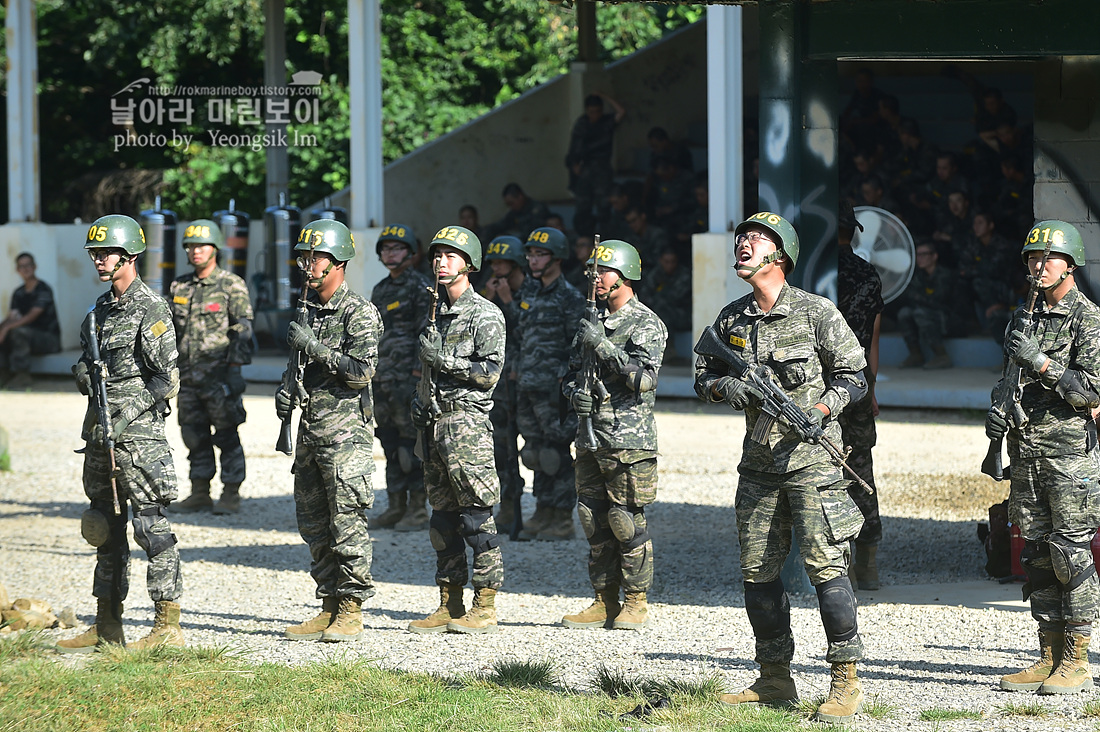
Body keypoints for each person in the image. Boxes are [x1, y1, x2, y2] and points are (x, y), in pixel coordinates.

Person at [694, 212, 868, 723]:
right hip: (760, 466)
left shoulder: (817, 313)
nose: (743, 244)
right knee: (757, 574)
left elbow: (855, 375)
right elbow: (704, 376)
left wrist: (819, 409)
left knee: (827, 570)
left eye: (756, 239)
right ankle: (774, 678)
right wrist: (731, 387)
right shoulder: (730, 319)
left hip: (814, 464)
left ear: (780, 256)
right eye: (742, 238)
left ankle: (845, 681)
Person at [57, 215, 184, 652]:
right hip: (100, 436)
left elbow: (166, 379)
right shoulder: (99, 311)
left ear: (129, 255)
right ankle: (107, 624)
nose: (98, 260)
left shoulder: (151, 309)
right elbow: (83, 362)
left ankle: (168, 627)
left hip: (139, 438)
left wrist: (125, 415)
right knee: (104, 529)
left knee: (151, 528)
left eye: (105, 253)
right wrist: (85, 375)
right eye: (94, 253)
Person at [986, 220, 1100, 695]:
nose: (1038, 267)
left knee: (1069, 552)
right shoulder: (1022, 318)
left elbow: (1090, 391)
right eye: (1032, 259)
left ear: (1069, 264)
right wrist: (995, 412)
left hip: (1069, 455)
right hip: (1027, 452)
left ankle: (1077, 658)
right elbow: (1006, 378)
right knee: (1034, 553)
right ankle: (1048, 653)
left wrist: (1042, 362)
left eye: (1047, 259)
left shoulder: (1088, 320)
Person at [278, 219, 382, 643]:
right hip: (310, 431)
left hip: (345, 436)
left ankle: (351, 610)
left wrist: (314, 348)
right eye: (304, 257)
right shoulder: (306, 309)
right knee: (314, 523)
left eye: (316, 257)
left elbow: (361, 373)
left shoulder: (359, 311)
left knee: (347, 523)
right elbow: (298, 370)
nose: (308, 265)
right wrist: (287, 395)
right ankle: (327, 604)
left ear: (337, 261)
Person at [561, 239, 666, 630]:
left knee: (626, 521)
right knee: (593, 519)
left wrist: (604, 347)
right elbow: (568, 376)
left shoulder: (646, 323)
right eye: (591, 273)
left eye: (602, 273)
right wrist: (576, 396)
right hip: (590, 435)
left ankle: (635, 601)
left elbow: (644, 380)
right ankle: (603, 599)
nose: (595, 280)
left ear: (625, 276)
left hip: (627, 437)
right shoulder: (590, 321)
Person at [407, 225, 506, 634]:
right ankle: (450, 601)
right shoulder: (434, 312)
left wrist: (444, 361)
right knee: (442, 520)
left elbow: (489, 374)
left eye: (450, 255)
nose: (440, 262)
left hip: (466, 425)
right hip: (434, 423)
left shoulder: (485, 313)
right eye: (436, 255)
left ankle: (485, 604)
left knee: (476, 518)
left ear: (469, 263)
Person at [169, 220, 255, 515]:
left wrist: (234, 369)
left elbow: (243, 329)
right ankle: (200, 492)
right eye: (190, 246)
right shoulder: (179, 286)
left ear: (214, 249)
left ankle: (231, 492)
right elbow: (170, 332)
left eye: (201, 246)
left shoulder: (231, 285)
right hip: (189, 378)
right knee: (194, 436)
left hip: (219, 378)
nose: (195, 251)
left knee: (227, 434)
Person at [508, 226, 586, 541]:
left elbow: (579, 344)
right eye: (530, 254)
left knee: (556, 452)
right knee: (534, 452)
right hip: (525, 383)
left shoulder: (571, 297)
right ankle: (542, 509)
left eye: (540, 254)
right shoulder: (527, 291)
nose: (533, 260)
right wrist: (514, 365)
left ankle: (562, 516)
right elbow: (517, 333)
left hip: (553, 389)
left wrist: (564, 373)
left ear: (557, 258)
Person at [370, 223, 433, 531]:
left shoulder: (420, 287)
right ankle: (396, 505)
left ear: (410, 253)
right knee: (390, 443)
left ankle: (418, 508)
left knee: (413, 445)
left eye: (397, 248)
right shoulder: (380, 290)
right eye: (386, 248)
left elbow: (426, 333)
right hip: (383, 379)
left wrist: (418, 374)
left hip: (409, 379)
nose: (390, 253)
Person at [836, 204, 885, 590]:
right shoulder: (867, 273)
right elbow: (873, 336)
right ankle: (867, 561)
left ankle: (841, 563)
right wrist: (871, 386)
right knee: (861, 471)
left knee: (821, 473)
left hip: (818, 387)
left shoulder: (812, 273)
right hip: (857, 384)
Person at [480, 235, 527, 531]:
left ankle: (550, 513)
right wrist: (490, 297)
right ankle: (508, 506)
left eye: (502, 263)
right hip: (498, 382)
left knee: (540, 449)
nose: (496, 269)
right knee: (500, 448)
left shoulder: (532, 291)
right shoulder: (489, 289)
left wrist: (509, 301)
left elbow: (529, 331)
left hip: (527, 378)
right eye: (493, 263)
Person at [566, 92, 626, 232]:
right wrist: (574, 164)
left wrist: (604, 96)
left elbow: (621, 112)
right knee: (583, 207)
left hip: (602, 169)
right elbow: (574, 147)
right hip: (584, 169)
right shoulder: (582, 124)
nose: (595, 115)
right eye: (592, 112)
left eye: (598, 111)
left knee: (604, 207)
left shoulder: (606, 122)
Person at [0, 252, 61, 390]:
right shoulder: (18, 293)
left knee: (17, 332)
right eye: (22, 266)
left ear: (34, 267)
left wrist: (6, 329)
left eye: (28, 265)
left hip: (49, 339)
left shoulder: (43, 289)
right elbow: (11, 317)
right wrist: (2, 328)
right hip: (26, 338)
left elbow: (31, 316)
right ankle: (3, 373)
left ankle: (22, 376)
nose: (25, 269)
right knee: (8, 331)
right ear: (17, 270)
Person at [897, 241, 956, 370]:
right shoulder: (919, 276)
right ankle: (915, 354)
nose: (920, 258)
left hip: (948, 319)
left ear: (934, 256)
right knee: (904, 313)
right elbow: (909, 297)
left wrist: (918, 298)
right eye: (918, 255)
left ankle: (941, 355)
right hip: (928, 315)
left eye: (924, 254)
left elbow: (939, 301)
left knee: (920, 313)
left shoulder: (944, 275)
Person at [639, 248, 692, 337]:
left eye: (672, 262)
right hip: (657, 314)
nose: (669, 265)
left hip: (679, 315)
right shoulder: (655, 274)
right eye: (666, 262)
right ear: (660, 261)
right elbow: (645, 295)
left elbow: (676, 298)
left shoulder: (684, 275)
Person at [483, 183, 550, 242]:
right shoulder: (514, 212)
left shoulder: (537, 209)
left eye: (512, 203)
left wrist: (508, 237)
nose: (511, 207)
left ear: (520, 197)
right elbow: (502, 224)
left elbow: (531, 232)